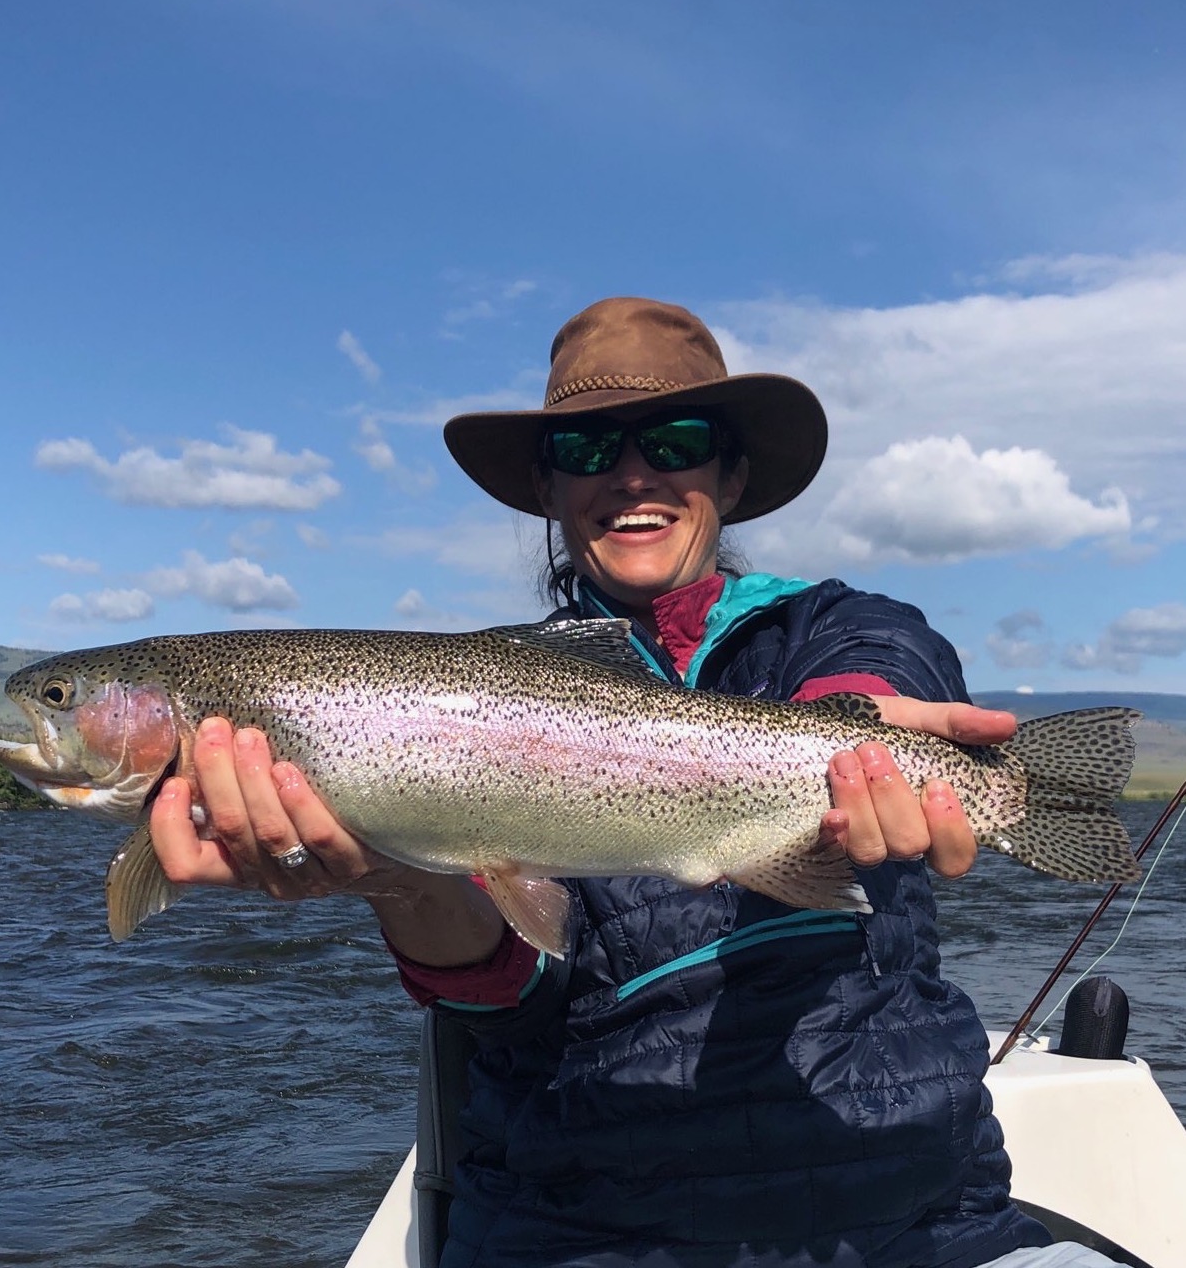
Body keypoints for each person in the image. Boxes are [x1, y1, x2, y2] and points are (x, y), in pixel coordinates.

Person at [151, 297, 1120, 1268]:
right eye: (584, 448)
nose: (629, 474)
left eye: (675, 439)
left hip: (910, 1222)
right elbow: (510, 991)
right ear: (548, 485)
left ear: (730, 474)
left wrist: (855, 733)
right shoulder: (480, 705)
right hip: (583, 1230)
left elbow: (883, 664)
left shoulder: (838, 624)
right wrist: (396, 874)